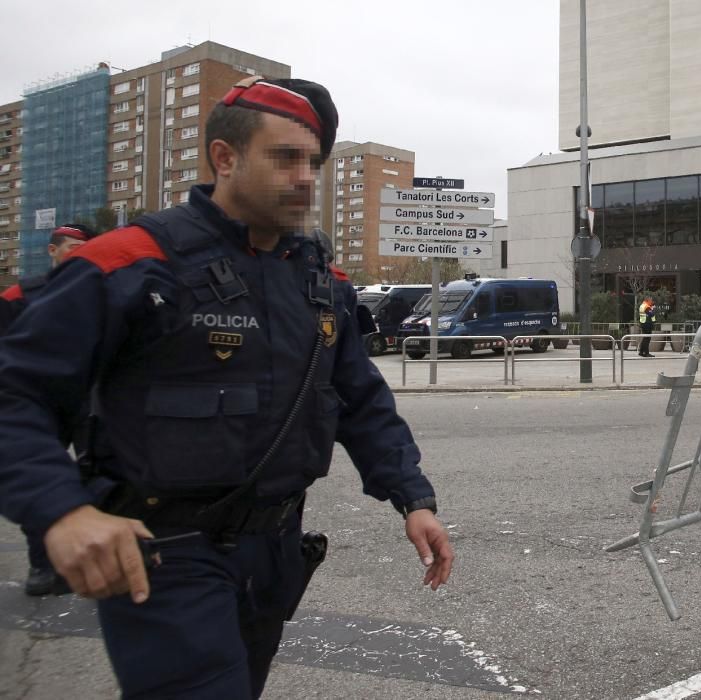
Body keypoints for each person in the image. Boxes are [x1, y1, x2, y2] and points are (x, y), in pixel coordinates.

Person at [0, 76, 454, 699]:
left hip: (273, 554)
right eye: (285, 157)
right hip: (166, 556)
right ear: (224, 157)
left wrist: (413, 499)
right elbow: (15, 393)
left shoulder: (321, 283)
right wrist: (61, 512)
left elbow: (360, 398)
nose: (304, 178)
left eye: (313, 163)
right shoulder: (128, 265)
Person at [0, 222, 97, 596]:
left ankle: (91, 560)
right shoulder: (18, 297)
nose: (76, 253)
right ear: (53, 251)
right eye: (70, 247)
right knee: (42, 477)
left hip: (89, 401)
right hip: (40, 401)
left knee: (99, 478)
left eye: (83, 248)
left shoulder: (101, 291)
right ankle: (42, 565)